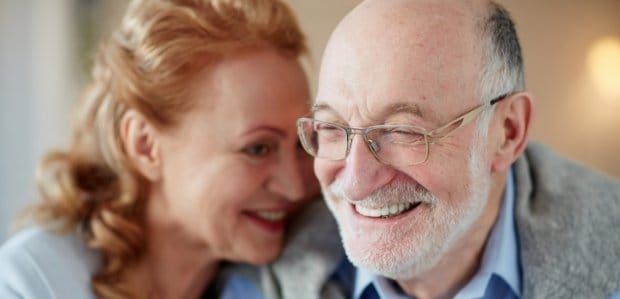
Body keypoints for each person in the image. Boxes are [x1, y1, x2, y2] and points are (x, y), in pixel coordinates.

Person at [245, 0, 620, 298]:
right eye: (331, 127)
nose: (356, 182)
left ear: (507, 132)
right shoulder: (266, 276)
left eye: (404, 131)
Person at [0, 0, 320, 298]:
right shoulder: (33, 282)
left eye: (303, 144)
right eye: (258, 149)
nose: (295, 187)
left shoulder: (311, 269)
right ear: (145, 146)